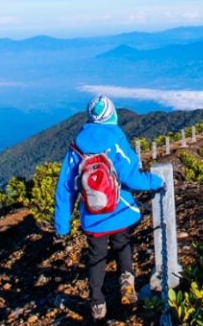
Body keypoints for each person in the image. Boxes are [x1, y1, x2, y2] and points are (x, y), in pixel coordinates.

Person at [54, 95, 165, 321]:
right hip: (118, 211)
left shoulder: (76, 147)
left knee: (96, 258)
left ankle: (98, 304)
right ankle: (126, 278)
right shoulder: (115, 139)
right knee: (122, 243)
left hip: (92, 216)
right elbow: (131, 177)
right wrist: (156, 182)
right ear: (112, 115)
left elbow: (65, 188)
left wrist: (62, 225)